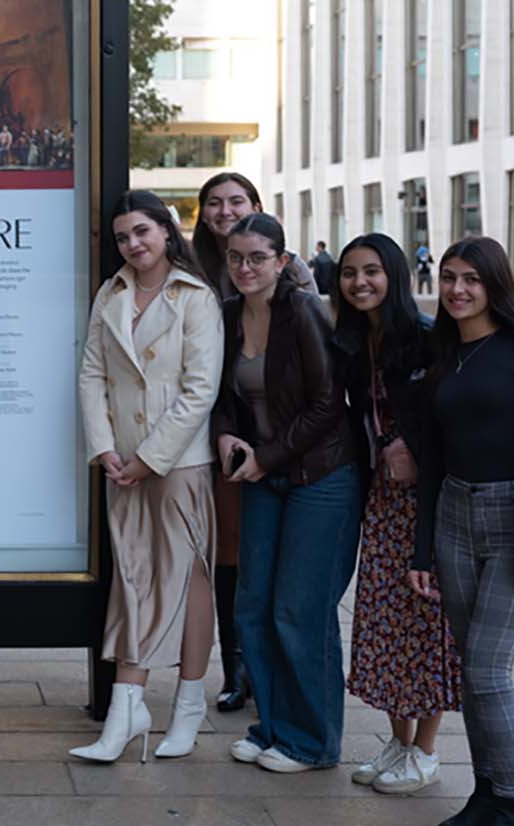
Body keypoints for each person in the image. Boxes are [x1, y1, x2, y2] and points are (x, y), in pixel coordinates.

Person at [408, 237, 514, 826]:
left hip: (513, 518)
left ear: (495, 284)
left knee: (487, 670)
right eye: (448, 278)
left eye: (471, 278)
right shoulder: (446, 355)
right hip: (452, 513)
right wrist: (422, 548)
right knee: (471, 671)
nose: (457, 290)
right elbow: (432, 459)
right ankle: (489, 794)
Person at [71, 191, 222, 763]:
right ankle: (127, 706)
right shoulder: (111, 294)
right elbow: (91, 373)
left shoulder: (195, 296)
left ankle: (188, 705)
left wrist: (149, 457)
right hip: (123, 465)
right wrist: (106, 449)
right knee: (131, 578)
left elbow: (199, 389)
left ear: (166, 231)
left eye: (142, 232)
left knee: (189, 582)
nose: (133, 245)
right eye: (122, 237)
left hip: (178, 463)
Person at [210, 213, 361, 774]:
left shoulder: (301, 312)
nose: (245, 268)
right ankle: (271, 726)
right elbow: (221, 392)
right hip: (263, 475)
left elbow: (328, 404)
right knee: (253, 607)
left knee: (301, 611)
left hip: (320, 476)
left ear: (281, 260)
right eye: (235, 258)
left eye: (256, 258)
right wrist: (226, 433)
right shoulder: (227, 316)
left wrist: (266, 457)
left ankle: (312, 741)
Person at [330, 234, 462, 795]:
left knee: (427, 621)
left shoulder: (427, 339)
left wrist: (413, 448)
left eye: (372, 271)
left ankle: (427, 751)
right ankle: (399, 742)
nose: (360, 282)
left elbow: (454, 421)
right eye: (350, 272)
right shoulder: (356, 343)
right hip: (382, 502)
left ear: (396, 276)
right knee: (383, 619)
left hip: (426, 501)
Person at [189, 172, 317, 715]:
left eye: (235, 201)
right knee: (230, 557)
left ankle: (278, 673)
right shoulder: (192, 266)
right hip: (221, 432)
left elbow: (317, 370)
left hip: (288, 441)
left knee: (276, 563)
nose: (224, 210)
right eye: (213, 203)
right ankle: (236, 668)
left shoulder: (294, 278)